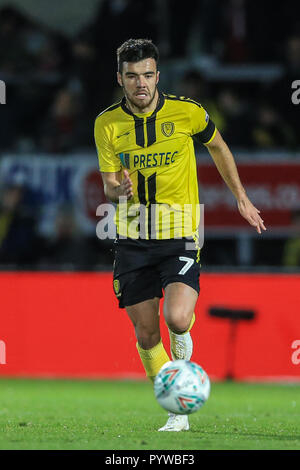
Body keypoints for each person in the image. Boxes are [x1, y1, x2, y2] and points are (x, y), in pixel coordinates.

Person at [94, 38, 266, 432]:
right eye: (132, 76)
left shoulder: (187, 113)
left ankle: (180, 394)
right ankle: (176, 410)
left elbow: (219, 147)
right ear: (120, 78)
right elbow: (108, 184)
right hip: (133, 233)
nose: (141, 83)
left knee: (176, 317)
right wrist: (118, 191)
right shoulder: (107, 123)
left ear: (158, 75)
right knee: (146, 332)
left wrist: (241, 197)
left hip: (179, 231)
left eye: (148, 75)